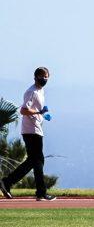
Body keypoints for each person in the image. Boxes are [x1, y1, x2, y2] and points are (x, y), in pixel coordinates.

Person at [0, 67, 56, 201]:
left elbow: (35, 109)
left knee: (33, 161)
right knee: (38, 161)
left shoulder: (41, 91)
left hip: (36, 128)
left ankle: (7, 182)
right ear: (35, 77)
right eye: (42, 76)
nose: (44, 79)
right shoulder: (31, 92)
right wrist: (38, 113)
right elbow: (24, 110)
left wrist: (42, 114)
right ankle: (41, 193)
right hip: (30, 130)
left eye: (46, 76)